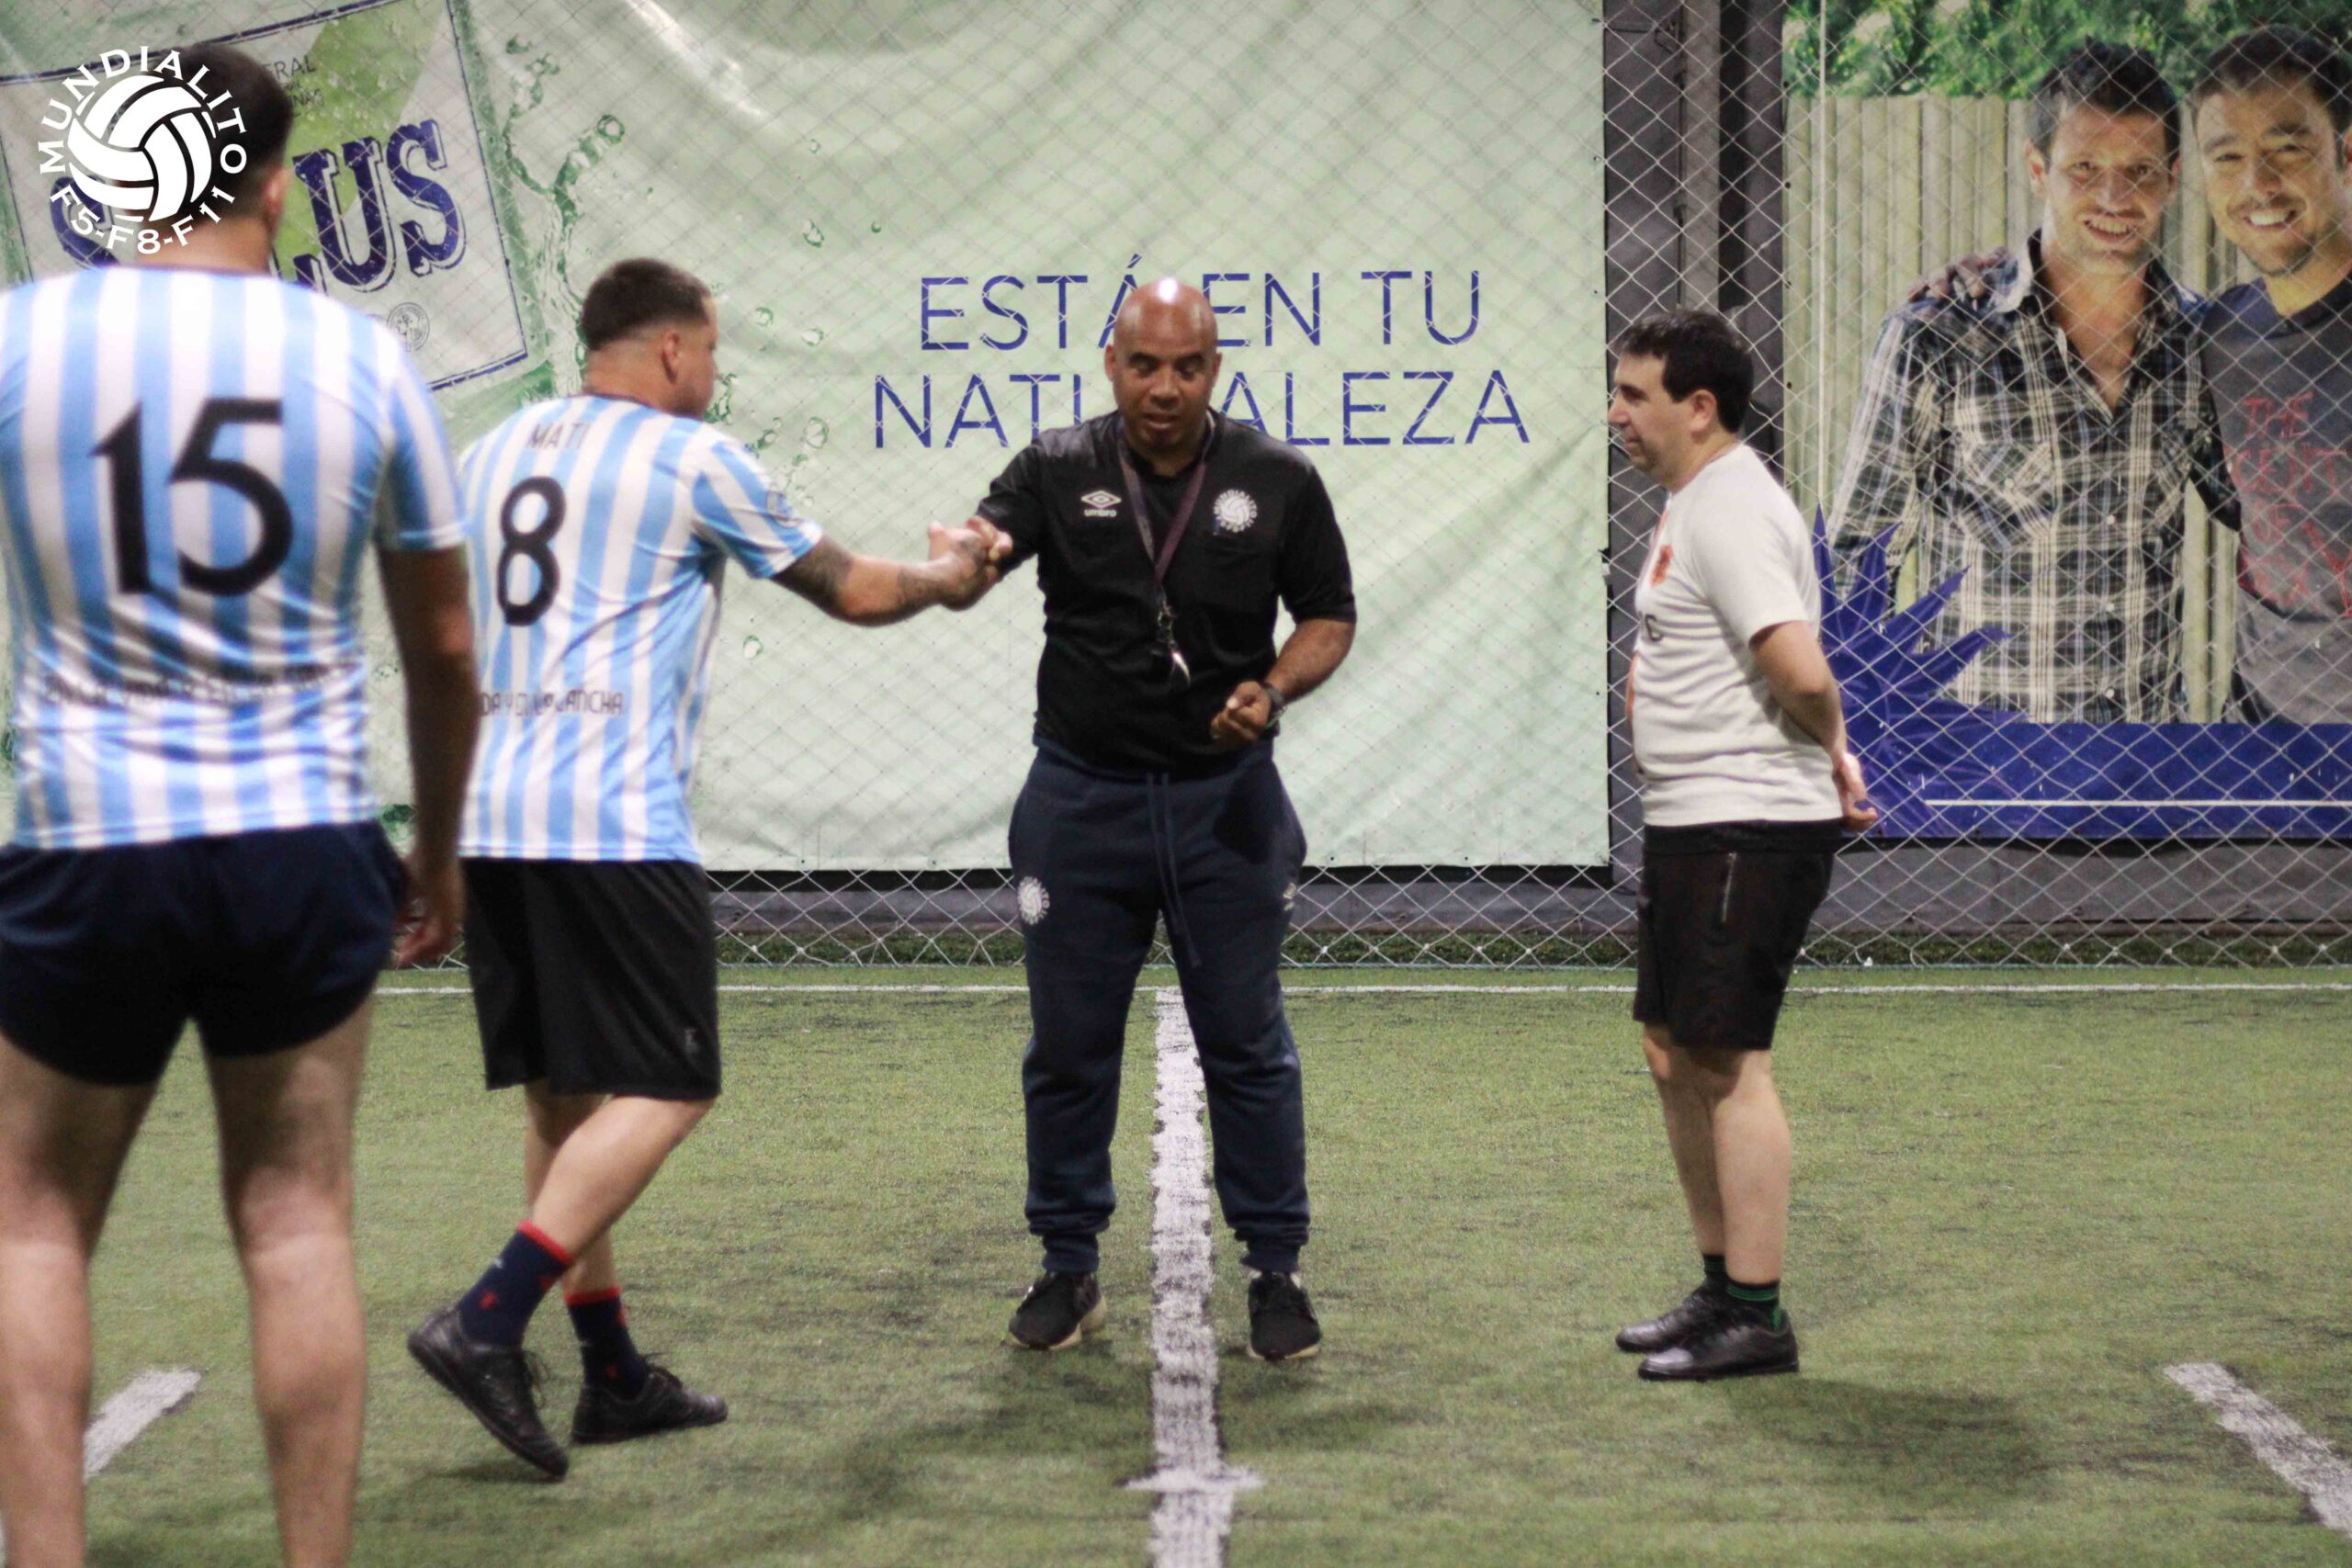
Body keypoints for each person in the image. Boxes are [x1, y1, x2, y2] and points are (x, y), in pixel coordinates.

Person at [406, 256, 1008, 1479]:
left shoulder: (495, 450)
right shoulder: (695, 459)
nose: (715, 372)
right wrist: (954, 577)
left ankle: (611, 1374)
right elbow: (853, 589)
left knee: (564, 1100)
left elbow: (453, 634)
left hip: (496, 813)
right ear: (674, 348)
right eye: (715, 350)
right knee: (671, 1085)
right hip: (611, 820)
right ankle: (487, 1317)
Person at [0, 44, 478, 1568]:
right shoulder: (361, 359)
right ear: (275, 185)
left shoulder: (21, 336)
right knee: (296, 1219)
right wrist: (439, 851)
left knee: (31, 1223)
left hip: (83, 839)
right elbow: (445, 649)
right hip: (298, 841)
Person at [971, 278, 1355, 1363]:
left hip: (1224, 807)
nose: (1165, 388)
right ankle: (1067, 1267)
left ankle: (1275, 1270)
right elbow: (986, 542)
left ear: (1214, 369)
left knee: (1247, 1043)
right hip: (1078, 803)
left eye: (1188, 367)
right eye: (1145, 365)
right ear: (1112, 364)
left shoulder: (1277, 479)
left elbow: (1329, 615)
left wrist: (1270, 690)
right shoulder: (1055, 467)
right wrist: (965, 555)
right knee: (1067, 1048)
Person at [1609, 310, 1876, 1382]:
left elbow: (1797, 667)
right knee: (1671, 1049)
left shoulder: (1731, 506)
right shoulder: (1696, 499)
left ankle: (1757, 1318)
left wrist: (1835, 749)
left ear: (1698, 407)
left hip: (1745, 822)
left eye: (1633, 395)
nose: (1616, 414)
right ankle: (1720, 1289)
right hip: (1695, 821)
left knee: (1726, 1061)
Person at [1828, 42, 2225, 723]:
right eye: (2084, 168)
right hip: (1982, 761)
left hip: (2147, 759)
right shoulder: (1940, 338)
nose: (2114, 197)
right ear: (2038, 170)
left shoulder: (2200, 342)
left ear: (2173, 177)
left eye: (2139, 170)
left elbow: (2268, 513)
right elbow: (1855, 564)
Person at [2190, 27, 2352, 722]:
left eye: (2288, 149)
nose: (2258, 184)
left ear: (2347, 154)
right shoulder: (2217, 338)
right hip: (2260, 742)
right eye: (2228, 157)